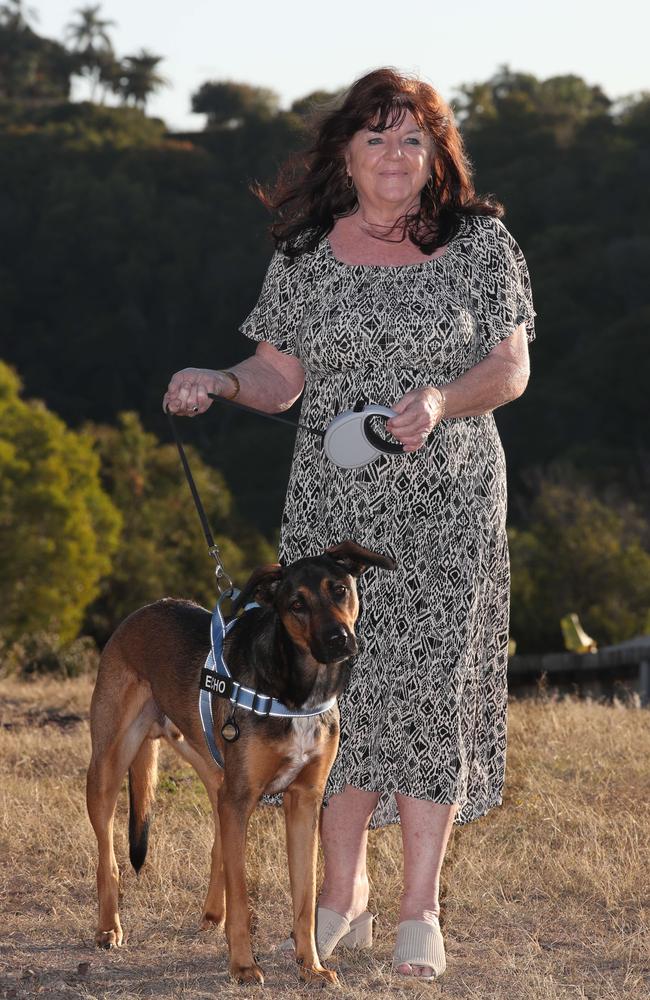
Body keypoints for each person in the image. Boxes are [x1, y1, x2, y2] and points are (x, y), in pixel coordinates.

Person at [164, 67, 535, 980]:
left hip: (449, 504)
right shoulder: (303, 254)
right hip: (331, 511)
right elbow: (278, 376)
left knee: (426, 699)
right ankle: (342, 897)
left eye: (413, 138)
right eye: (376, 138)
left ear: (436, 152)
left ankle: (421, 909)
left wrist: (443, 401)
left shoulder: (481, 244)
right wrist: (219, 381)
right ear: (345, 152)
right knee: (329, 698)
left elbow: (511, 367)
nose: (395, 155)